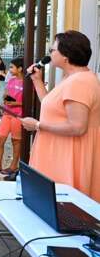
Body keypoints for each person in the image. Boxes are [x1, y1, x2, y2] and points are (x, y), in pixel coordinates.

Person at [21, 31, 100, 202]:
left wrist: (37, 125)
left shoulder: (79, 82)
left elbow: (78, 127)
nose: (49, 54)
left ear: (66, 55)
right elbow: (51, 106)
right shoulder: (72, 78)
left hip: (67, 154)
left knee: (63, 204)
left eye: (52, 50)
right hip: (59, 150)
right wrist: (37, 80)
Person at [0, 57, 24, 178]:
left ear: (20, 68)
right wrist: (7, 99)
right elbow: (6, 94)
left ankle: (13, 166)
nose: (9, 69)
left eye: (12, 67)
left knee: (16, 141)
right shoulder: (11, 80)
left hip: (18, 116)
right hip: (7, 114)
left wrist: (15, 103)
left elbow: (30, 101)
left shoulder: (28, 83)